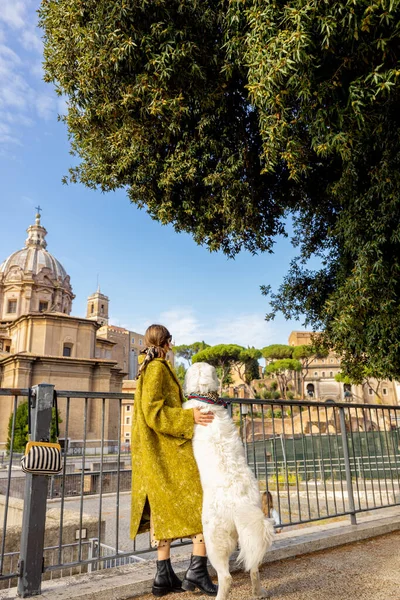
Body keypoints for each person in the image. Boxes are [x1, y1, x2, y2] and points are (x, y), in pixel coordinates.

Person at [130, 324, 218, 597]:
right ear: (168, 342)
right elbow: (152, 411)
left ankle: (163, 575)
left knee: (162, 510)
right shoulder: (157, 368)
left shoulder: (149, 367)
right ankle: (197, 571)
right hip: (167, 451)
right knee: (203, 503)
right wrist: (188, 417)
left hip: (158, 451)